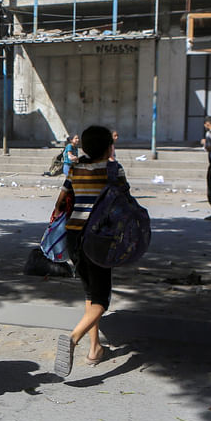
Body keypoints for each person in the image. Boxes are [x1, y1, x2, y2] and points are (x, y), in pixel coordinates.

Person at [52, 125, 124, 377]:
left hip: (74, 236)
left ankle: (95, 350)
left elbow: (61, 201)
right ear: (108, 147)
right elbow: (123, 202)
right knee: (102, 299)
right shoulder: (113, 169)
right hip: (100, 238)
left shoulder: (75, 169)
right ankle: (73, 339)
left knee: (90, 293)